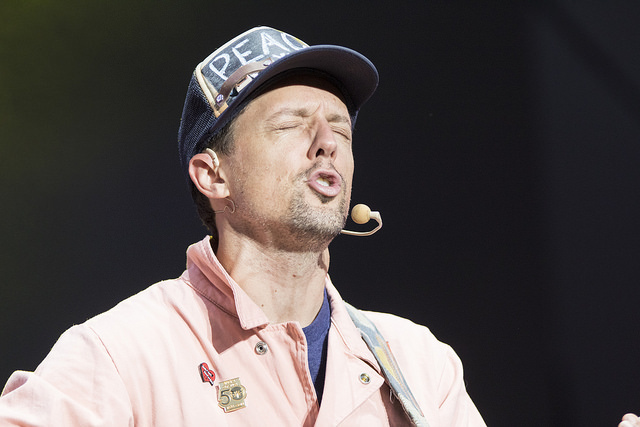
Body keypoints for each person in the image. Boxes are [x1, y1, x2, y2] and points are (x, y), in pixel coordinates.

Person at [0, 26, 486, 426]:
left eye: (340, 127)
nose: (327, 142)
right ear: (213, 176)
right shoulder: (121, 356)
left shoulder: (420, 365)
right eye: (290, 124)